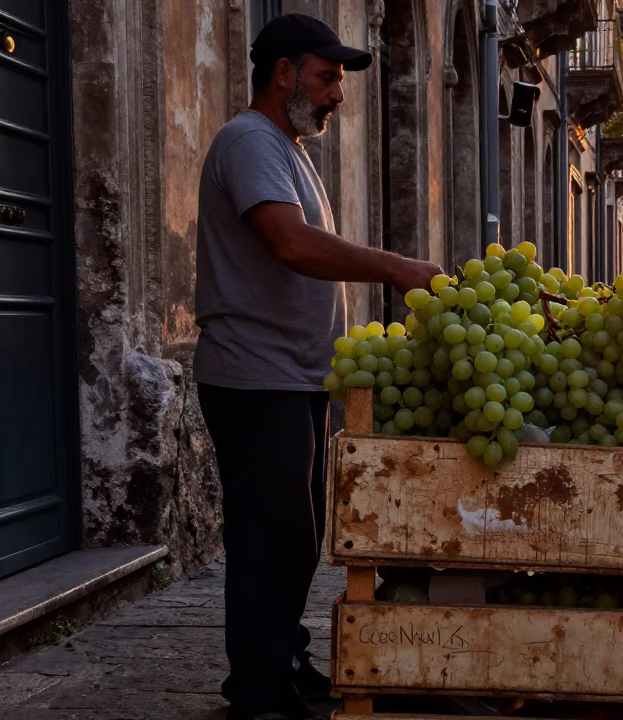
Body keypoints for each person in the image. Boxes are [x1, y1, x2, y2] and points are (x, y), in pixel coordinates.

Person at [193, 14, 443, 720]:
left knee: (293, 538)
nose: (338, 93)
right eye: (328, 76)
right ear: (284, 72)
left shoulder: (289, 148)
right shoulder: (248, 141)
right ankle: (257, 692)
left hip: (296, 375)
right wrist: (396, 269)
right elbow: (291, 245)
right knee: (267, 535)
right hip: (255, 374)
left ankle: (283, 661)